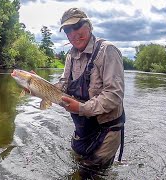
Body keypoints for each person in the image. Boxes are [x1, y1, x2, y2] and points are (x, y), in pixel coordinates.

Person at [55, 7, 126, 174]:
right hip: (83, 128)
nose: (73, 33)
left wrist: (81, 108)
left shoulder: (107, 50)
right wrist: (37, 86)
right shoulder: (70, 56)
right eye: (67, 30)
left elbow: (114, 94)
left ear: (89, 25)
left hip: (107, 129)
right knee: (75, 161)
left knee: (89, 174)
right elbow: (63, 84)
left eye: (77, 26)